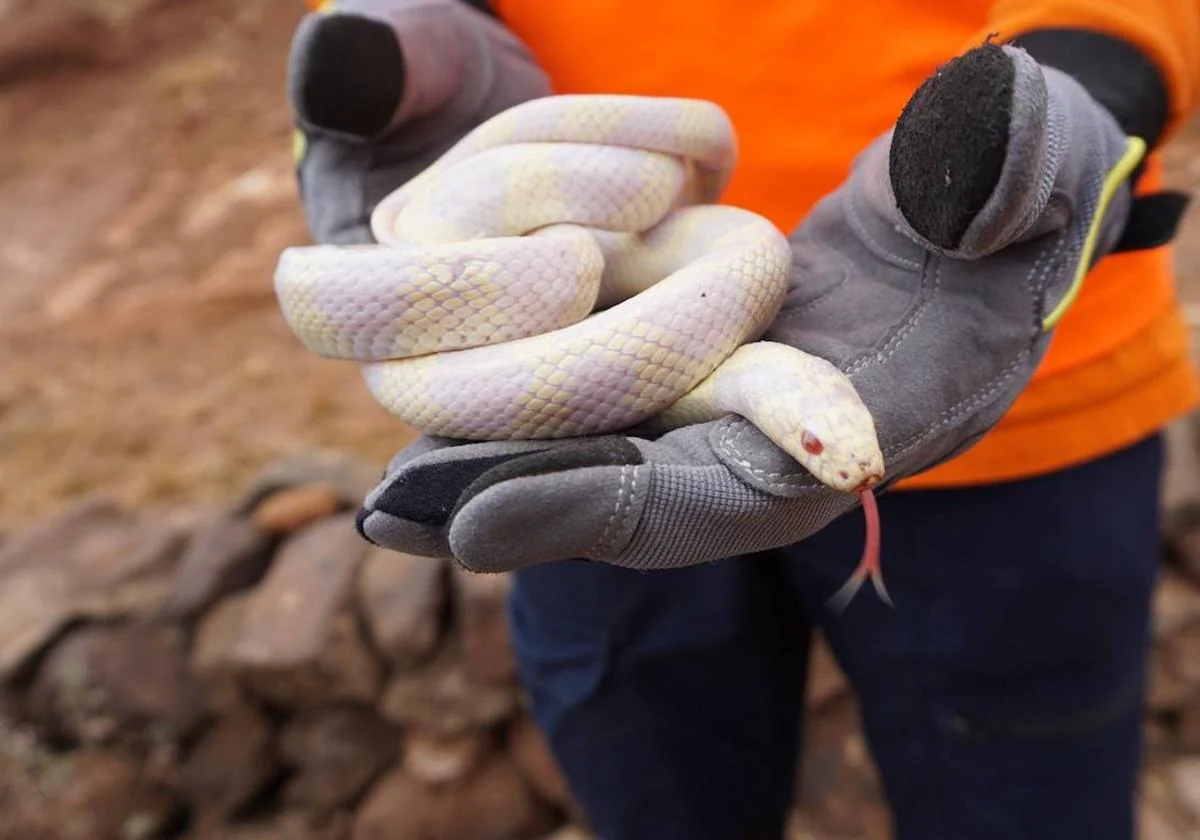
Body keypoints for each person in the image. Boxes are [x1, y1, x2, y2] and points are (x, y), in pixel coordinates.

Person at [284, 1, 1200, 837]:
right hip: (586, 448)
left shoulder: (773, 341)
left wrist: (1093, 65)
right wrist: (394, 46)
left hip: (1009, 391)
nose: (843, 464)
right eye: (815, 442)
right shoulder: (582, 287)